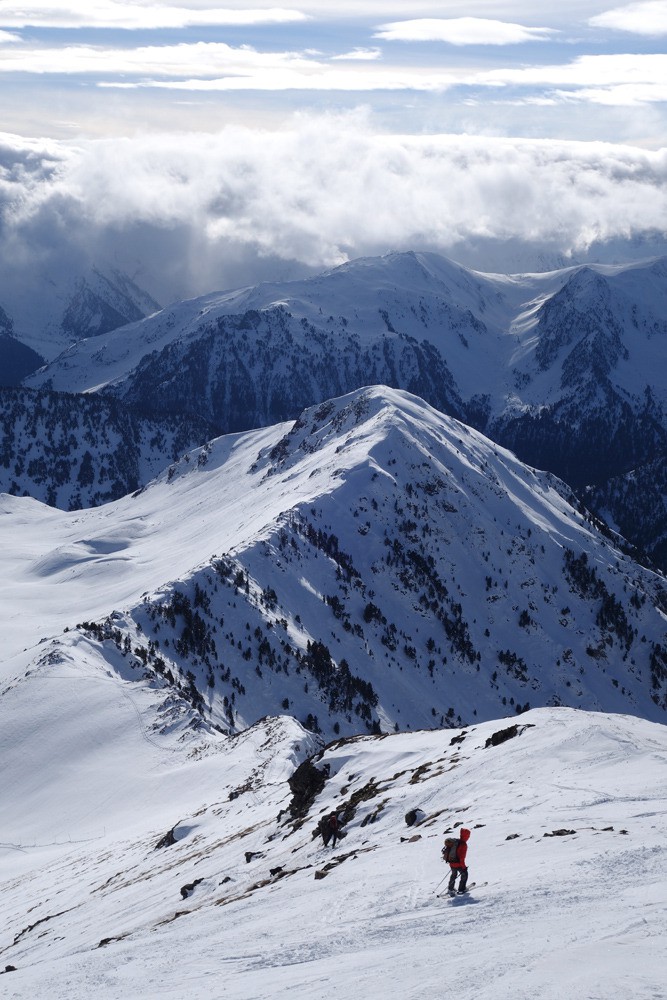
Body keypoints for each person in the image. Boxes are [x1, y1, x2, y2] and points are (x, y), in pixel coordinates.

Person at [443, 828, 470, 893]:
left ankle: (450, 889)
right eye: (468, 835)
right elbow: (461, 858)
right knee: (464, 874)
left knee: (453, 875)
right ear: (466, 836)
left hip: (451, 863)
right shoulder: (463, 844)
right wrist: (464, 867)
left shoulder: (456, 842)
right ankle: (461, 889)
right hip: (458, 864)